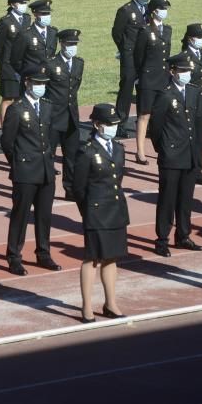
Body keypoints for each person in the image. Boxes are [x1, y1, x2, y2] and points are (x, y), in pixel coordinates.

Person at [73, 104, 129, 323]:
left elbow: (118, 178)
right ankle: (87, 306)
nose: (113, 128)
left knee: (111, 257)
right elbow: (77, 187)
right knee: (91, 258)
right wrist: (87, 211)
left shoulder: (118, 149)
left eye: (115, 125)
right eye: (109, 125)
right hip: (96, 212)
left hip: (115, 209)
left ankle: (110, 303)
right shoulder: (86, 151)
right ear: (96, 125)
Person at [1, 64, 60, 275]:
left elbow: (50, 135)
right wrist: (18, 163)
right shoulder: (16, 109)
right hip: (26, 171)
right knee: (21, 214)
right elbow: (7, 142)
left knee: (44, 215)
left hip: (45, 169)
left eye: (43, 84)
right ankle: (14, 256)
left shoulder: (47, 106)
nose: (41, 87)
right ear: (27, 83)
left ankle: (43, 253)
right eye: (37, 83)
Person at [148, 53, 202, 257]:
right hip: (171, 155)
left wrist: (197, 155)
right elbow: (155, 128)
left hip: (189, 155)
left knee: (186, 198)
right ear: (173, 72)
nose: (186, 74)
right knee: (167, 199)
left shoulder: (194, 92)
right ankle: (162, 238)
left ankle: (183, 235)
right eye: (182, 71)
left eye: (188, 71)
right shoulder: (165, 95)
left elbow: (198, 125)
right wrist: (163, 148)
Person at [132, 0, 172, 164]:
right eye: (162, 8)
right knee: (144, 115)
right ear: (153, 11)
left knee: (162, 115)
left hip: (163, 79)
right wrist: (140, 78)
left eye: (166, 9)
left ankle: (160, 147)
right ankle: (140, 151)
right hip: (148, 79)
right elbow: (138, 57)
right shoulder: (145, 31)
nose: (164, 12)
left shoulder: (168, 30)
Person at [112, 0, 154, 138]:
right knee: (126, 89)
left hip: (146, 56)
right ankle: (120, 123)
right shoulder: (126, 10)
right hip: (130, 56)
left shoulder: (150, 9)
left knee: (146, 89)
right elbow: (116, 33)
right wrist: (125, 49)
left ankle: (145, 123)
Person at [46, 29, 84, 201]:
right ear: (61, 44)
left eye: (74, 44)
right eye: (69, 44)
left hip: (71, 117)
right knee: (48, 155)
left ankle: (70, 189)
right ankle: (46, 188)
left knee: (71, 157)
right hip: (54, 118)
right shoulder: (50, 64)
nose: (72, 48)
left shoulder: (78, 63)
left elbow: (73, 90)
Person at [182, 23, 202, 186]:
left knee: (199, 138)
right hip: (189, 101)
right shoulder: (184, 57)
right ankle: (188, 169)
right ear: (190, 39)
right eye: (199, 37)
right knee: (189, 137)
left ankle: (197, 170)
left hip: (201, 100)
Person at [0, 0, 31, 124]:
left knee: (22, 98)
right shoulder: (5, 22)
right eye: (21, 2)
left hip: (23, 65)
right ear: (13, 4)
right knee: (8, 98)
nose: (24, 5)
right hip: (9, 67)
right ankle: (5, 129)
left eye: (25, 2)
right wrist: (4, 65)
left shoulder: (27, 18)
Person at [10, 0, 57, 81]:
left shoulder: (53, 32)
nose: (46, 16)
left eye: (48, 13)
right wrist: (26, 75)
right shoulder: (25, 34)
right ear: (35, 14)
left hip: (49, 79)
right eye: (43, 13)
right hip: (31, 80)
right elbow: (16, 60)